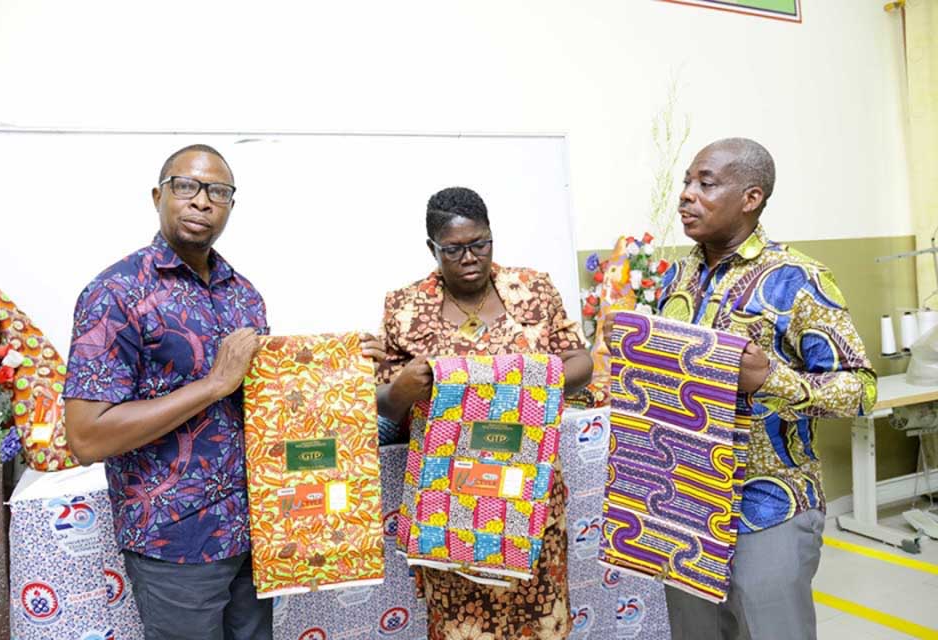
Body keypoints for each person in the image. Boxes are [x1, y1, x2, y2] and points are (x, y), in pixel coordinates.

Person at [63, 144, 383, 640]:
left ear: (231, 205)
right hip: (174, 542)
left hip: (255, 531)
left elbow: (267, 401)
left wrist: (340, 364)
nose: (201, 201)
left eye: (218, 191)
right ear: (158, 196)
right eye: (186, 187)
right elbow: (87, 438)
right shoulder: (116, 293)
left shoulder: (243, 294)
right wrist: (212, 384)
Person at [656, 138, 877, 639]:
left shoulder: (796, 279)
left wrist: (769, 379)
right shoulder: (677, 276)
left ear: (751, 197)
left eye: (705, 183)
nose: (686, 196)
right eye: (686, 182)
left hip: (768, 507)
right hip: (687, 501)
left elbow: (860, 389)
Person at [376, 186, 593, 640]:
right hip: (448, 505)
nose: (470, 258)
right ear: (431, 248)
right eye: (453, 249)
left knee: (541, 623)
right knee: (462, 628)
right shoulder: (405, 308)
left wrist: (508, 377)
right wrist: (401, 388)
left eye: (481, 244)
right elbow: (385, 403)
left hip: (530, 496)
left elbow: (580, 364)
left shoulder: (531, 289)